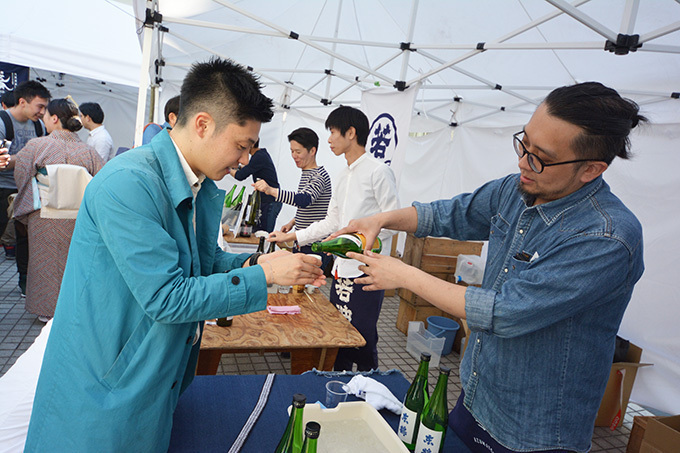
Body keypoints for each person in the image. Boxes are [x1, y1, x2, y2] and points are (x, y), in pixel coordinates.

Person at [24, 58, 325, 452]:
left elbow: (199, 262)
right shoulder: (129, 183)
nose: (245, 160)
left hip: (144, 373)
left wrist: (254, 263)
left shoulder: (192, 182)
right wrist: (264, 278)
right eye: (241, 145)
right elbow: (168, 296)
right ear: (202, 124)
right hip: (104, 386)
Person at [335, 82, 646, 452]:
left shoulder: (606, 238)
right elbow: (448, 214)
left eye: (539, 157)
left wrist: (403, 274)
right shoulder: (517, 189)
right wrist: (382, 219)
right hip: (477, 396)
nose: (522, 162)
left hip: (535, 429)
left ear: (591, 169)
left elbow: (505, 311)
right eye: (523, 143)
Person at [269, 106, 399, 372]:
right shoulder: (342, 175)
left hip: (366, 271)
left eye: (333, 132)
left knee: (362, 338)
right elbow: (331, 223)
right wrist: (291, 235)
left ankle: (369, 387)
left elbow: (392, 223)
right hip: (340, 271)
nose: (328, 139)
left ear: (351, 133)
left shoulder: (377, 171)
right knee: (337, 335)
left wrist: (360, 238)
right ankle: (337, 387)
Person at [13, 98, 103, 322]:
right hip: (78, 218)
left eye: (46, 115)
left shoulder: (37, 146)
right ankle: (74, 308)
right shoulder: (89, 152)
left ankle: (46, 311)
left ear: (54, 118)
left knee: (45, 262)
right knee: (75, 263)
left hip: (45, 215)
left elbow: (22, 176)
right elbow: (101, 182)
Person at [253, 127, 332, 267]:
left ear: (312, 151)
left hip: (315, 245)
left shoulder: (319, 176)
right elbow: (315, 207)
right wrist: (293, 222)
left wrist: (271, 190)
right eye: (291, 151)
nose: (294, 155)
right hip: (302, 241)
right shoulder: (307, 173)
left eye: (298, 152)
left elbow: (304, 200)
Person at [0, 80, 51, 294]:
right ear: (22, 102)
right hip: (3, 187)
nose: (43, 112)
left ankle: (25, 282)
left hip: (28, 186)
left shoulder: (38, 126)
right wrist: (25, 158)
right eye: (40, 106)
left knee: (26, 237)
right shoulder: (3, 122)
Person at [229, 140, 281, 232]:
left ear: (252, 144)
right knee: (257, 230)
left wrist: (228, 169)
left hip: (270, 201)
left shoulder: (259, 157)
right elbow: (248, 168)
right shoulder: (260, 155)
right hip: (266, 200)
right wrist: (236, 167)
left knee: (263, 234)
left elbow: (240, 176)